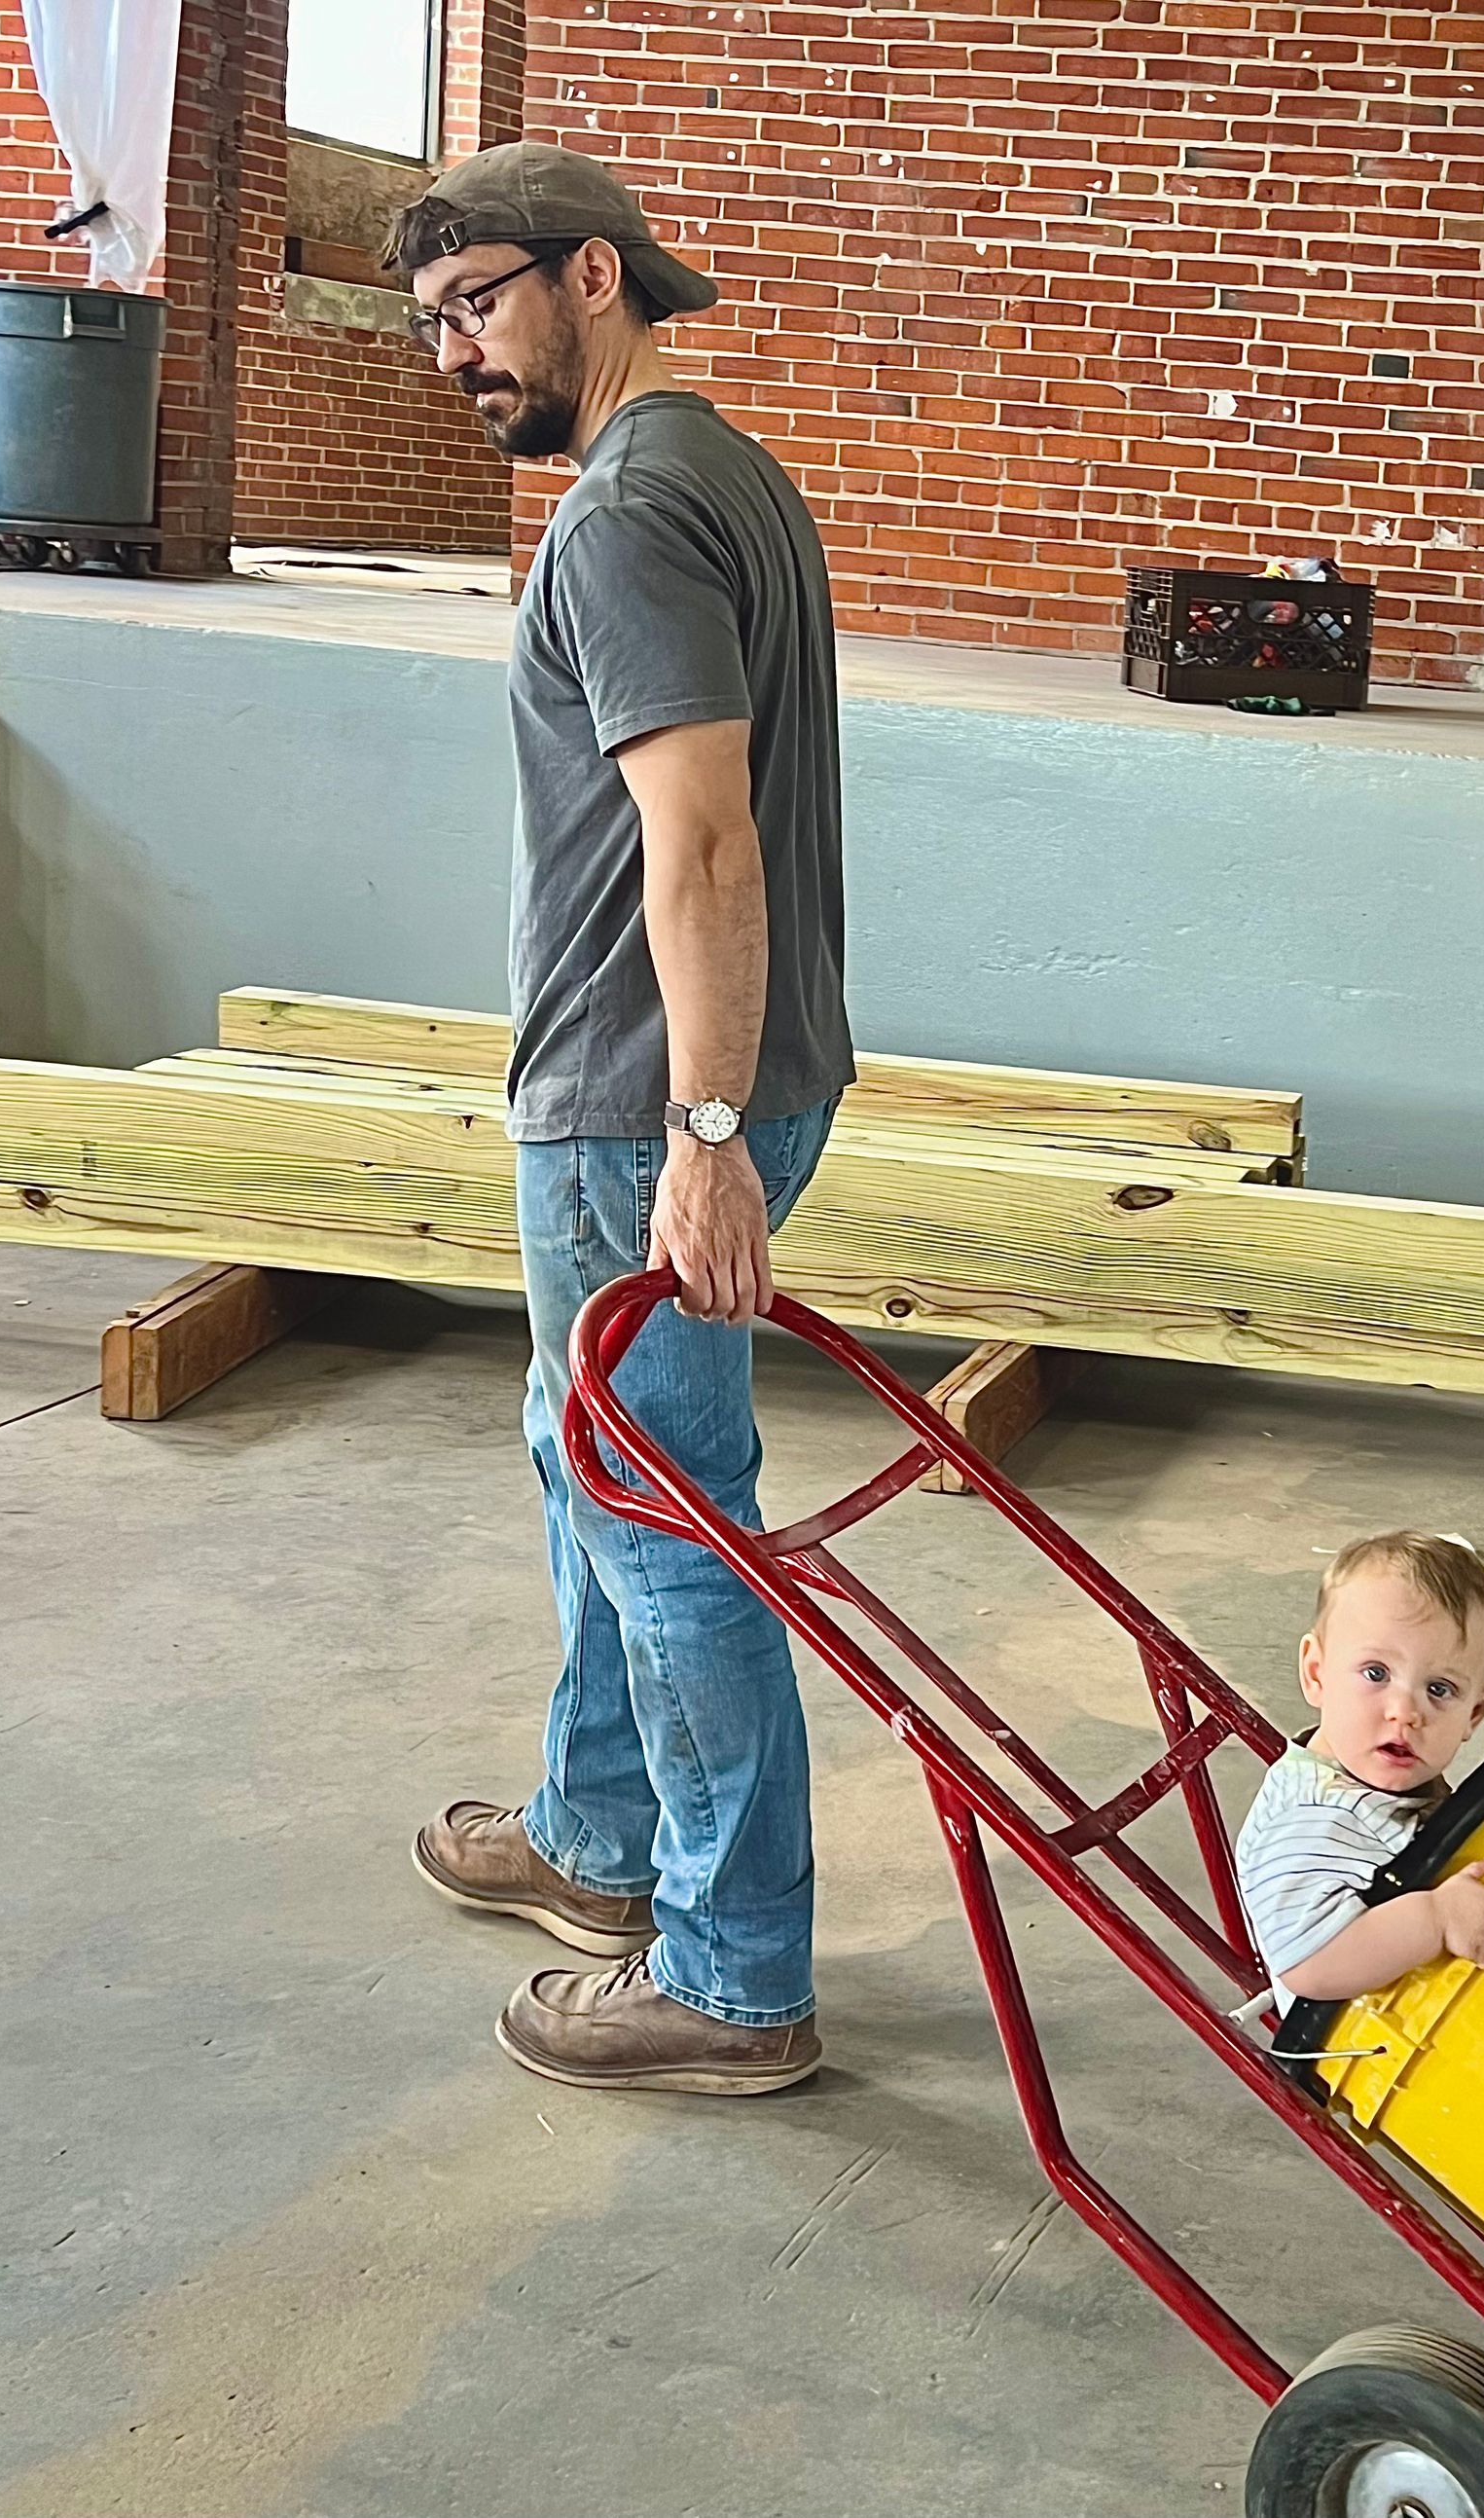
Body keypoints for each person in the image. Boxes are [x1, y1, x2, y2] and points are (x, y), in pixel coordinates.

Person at [386, 143, 854, 2096]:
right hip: (669, 1092)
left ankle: (738, 1977)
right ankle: (597, 1842)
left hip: (640, 1109)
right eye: (428, 326)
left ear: (594, 274)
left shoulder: (626, 520)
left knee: (671, 1531)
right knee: (586, 1463)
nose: (454, 354)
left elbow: (706, 839)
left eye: (478, 302)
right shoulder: (724, 472)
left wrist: (708, 1124)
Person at [1236, 1532, 1484, 2008]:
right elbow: (1313, 1965)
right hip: (1376, 2063)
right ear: (1316, 1674)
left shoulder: (1382, 1782)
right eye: (1376, 1674)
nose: (1405, 1711)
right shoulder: (1314, 1817)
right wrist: (1435, 1919)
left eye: (1439, 1689)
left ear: (1476, 1712)